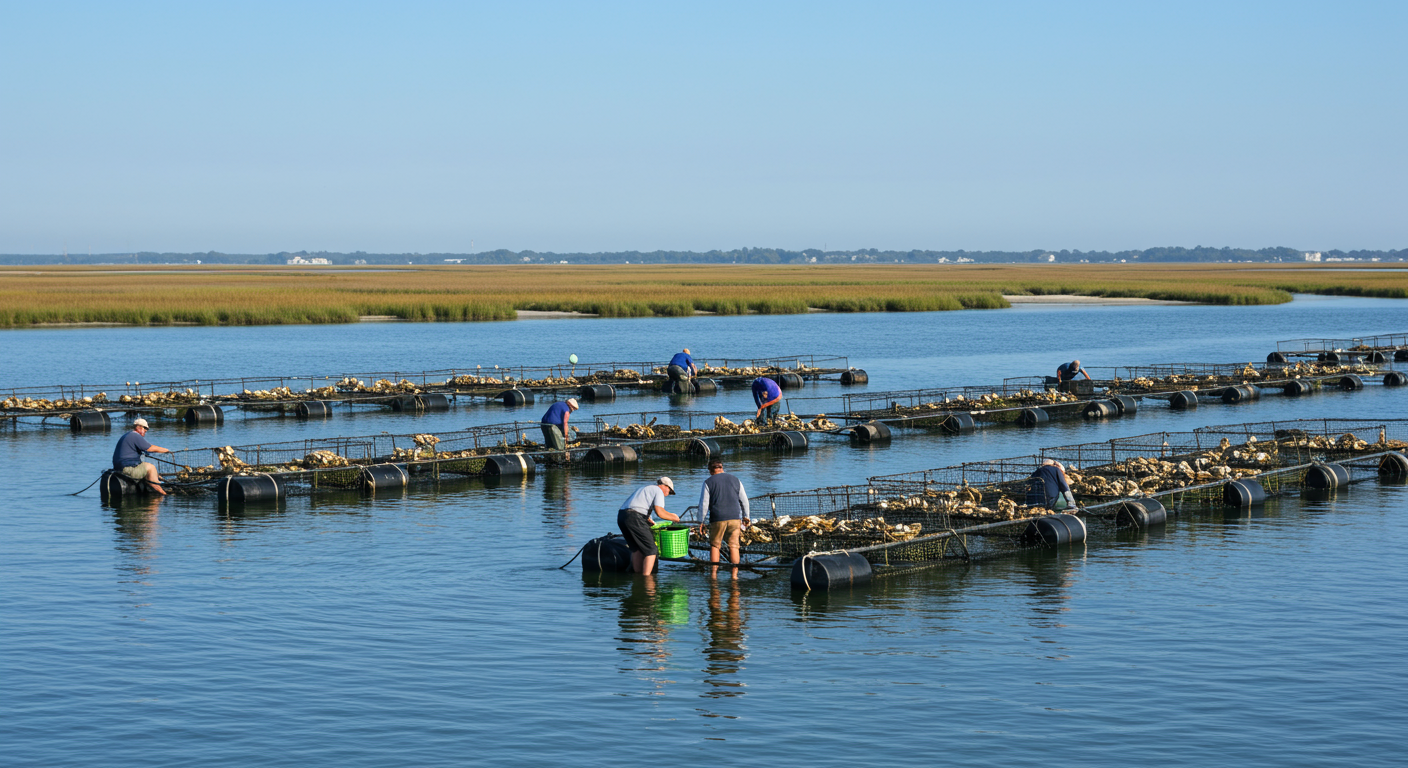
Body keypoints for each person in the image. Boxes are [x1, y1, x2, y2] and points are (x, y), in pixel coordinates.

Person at [617, 477, 682, 574]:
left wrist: (648, 519)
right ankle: (647, 579)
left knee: (636, 549)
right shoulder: (658, 491)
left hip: (622, 516)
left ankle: (637, 577)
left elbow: (636, 505)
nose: (668, 494)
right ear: (665, 486)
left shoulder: (645, 488)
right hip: (635, 517)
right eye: (669, 491)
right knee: (651, 550)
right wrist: (674, 517)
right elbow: (660, 513)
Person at [698, 459, 750, 570]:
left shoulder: (708, 482)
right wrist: (746, 516)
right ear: (722, 468)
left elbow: (704, 504)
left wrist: (700, 522)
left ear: (711, 470)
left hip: (718, 518)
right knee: (734, 546)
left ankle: (713, 575)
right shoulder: (736, 480)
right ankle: (735, 575)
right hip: (735, 518)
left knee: (715, 545)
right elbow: (744, 500)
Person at [111, 418, 171, 496]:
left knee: (147, 466)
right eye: (145, 430)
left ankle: (158, 480)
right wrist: (166, 450)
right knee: (151, 467)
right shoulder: (135, 436)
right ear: (139, 427)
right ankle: (162, 492)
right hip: (127, 469)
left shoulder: (128, 435)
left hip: (120, 467)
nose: (145, 433)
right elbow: (150, 448)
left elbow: (145, 450)